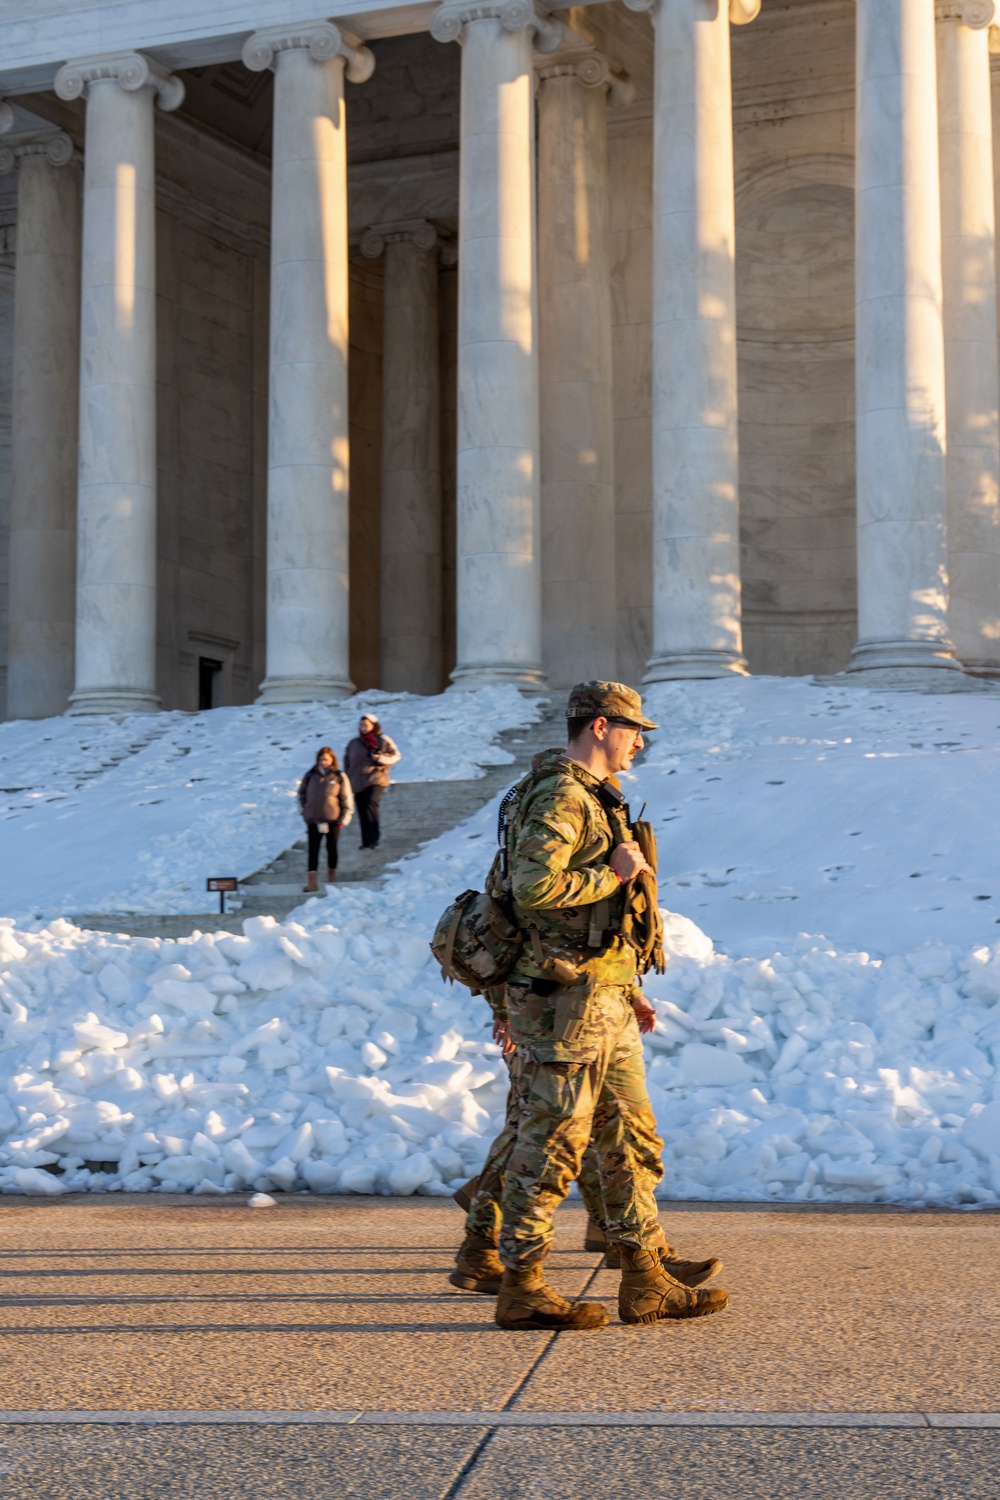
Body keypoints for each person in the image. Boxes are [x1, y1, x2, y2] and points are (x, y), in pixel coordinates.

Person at [490, 680, 729, 1331]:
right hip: (564, 1003)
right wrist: (615, 873)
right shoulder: (562, 795)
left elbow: (601, 919)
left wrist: (630, 985)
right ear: (599, 726)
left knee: (629, 1135)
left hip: (605, 994)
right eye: (633, 729)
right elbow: (533, 887)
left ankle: (646, 1275)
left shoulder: (599, 797)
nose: (640, 742)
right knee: (553, 1144)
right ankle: (522, 1285)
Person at [449, 993, 722, 1297]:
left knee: (614, 1131)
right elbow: (499, 961)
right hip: (551, 1018)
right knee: (545, 1137)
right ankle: (491, 1246)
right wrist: (508, 1005)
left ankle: (634, 1249)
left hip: (599, 1011)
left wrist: (627, 990)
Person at [297, 746, 355, 893]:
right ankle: (312, 882)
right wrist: (305, 810)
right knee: (313, 850)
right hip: (313, 820)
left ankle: (332, 876)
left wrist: (344, 818)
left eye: (326, 759)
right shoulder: (310, 776)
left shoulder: (339, 776)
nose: (323, 762)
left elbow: (346, 797)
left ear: (332, 760)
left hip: (333, 820)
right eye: (321, 759)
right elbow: (301, 794)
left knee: (331, 848)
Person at [344, 715, 400, 850]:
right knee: (362, 809)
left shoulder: (382, 739)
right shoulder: (354, 743)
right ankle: (366, 842)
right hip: (357, 780)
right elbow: (347, 761)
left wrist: (380, 758)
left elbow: (396, 756)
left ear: (373, 725)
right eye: (361, 725)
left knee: (370, 802)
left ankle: (374, 838)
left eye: (366, 725)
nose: (363, 728)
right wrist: (348, 776)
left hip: (376, 777)